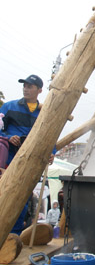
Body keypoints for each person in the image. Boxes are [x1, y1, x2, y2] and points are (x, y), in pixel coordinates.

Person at [0, 74, 55, 234]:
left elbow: (51, 135)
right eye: (24, 86)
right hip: (9, 159)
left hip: (31, 161)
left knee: (22, 198)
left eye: (30, 86)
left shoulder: (45, 113)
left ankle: (13, 236)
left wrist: (52, 152)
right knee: (5, 193)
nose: (26, 89)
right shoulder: (9, 107)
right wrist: (9, 137)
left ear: (39, 90)